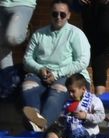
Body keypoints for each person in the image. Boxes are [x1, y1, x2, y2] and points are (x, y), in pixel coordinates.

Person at [20, 1, 89, 130]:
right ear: (50, 15)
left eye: (62, 14)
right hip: (41, 74)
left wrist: (57, 73)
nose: (58, 17)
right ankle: (34, 117)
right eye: (55, 14)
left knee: (58, 90)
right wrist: (39, 69)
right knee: (28, 86)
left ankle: (42, 124)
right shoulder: (39, 34)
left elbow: (83, 61)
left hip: (69, 75)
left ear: (68, 15)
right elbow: (27, 59)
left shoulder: (76, 34)